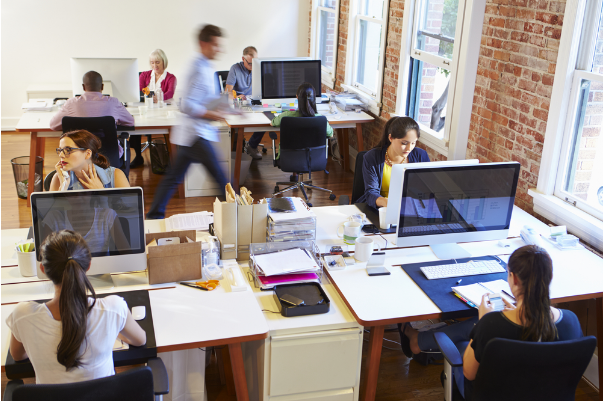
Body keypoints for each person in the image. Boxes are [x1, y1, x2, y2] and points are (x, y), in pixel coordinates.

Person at [398, 245, 584, 398]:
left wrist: (483, 321)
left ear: (514, 278)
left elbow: (469, 374)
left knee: (463, 345)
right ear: (549, 278)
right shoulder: (571, 321)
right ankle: (418, 341)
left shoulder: (491, 325)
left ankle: (418, 341)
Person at [6, 230, 146, 384]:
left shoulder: (23, 315)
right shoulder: (113, 308)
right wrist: (114, 331)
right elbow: (140, 340)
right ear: (88, 265)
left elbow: (17, 355)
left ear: (43, 270)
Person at [146, 24, 235, 219]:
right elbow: (186, 104)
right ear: (204, 44)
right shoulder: (196, 67)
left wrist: (227, 108)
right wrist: (211, 114)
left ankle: (153, 216)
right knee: (222, 179)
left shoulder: (206, 66)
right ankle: (238, 215)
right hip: (196, 133)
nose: (220, 49)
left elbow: (206, 99)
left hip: (193, 134)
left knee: (173, 178)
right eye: (216, 45)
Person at [355, 117, 430, 209]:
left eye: (413, 143)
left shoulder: (421, 156)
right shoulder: (372, 157)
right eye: (404, 143)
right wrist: (388, 203)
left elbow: (427, 189)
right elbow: (371, 193)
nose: (409, 148)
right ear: (390, 138)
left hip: (411, 209)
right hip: (380, 209)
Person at [133, 49, 178, 168]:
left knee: (169, 128)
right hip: (146, 108)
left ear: (164, 62)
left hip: (162, 109)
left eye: (157, 62)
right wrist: (151, 97)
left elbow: (170, 93)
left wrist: (158, 97)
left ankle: (169, 158)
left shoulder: (171, 78)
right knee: (135, 124)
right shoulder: (144, 75)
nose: (155, 65)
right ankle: (138, 156)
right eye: (152, 62)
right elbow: (139, 91)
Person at [49, 71, 135, 132]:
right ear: (102, 87)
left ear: (83, 87)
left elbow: (53, 125)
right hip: (108, 153)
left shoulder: (71, 103)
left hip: (80, 153)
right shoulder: (113, 103)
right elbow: (130, 122)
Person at [270, 82, 333, 160]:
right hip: (313, 159)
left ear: (297, 97)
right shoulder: (321, 119)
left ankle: (296, 169)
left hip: (288, 159)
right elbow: (331, 134)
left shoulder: (286, 116)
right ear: (314, 98)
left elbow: (272, 123)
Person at [50, 130, 130, 191]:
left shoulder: (116, 175)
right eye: (60, 150)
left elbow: (129, 211)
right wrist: (62, 188)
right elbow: (50, 212)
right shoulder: (59, 178)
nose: (61, 155)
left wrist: (101, 193)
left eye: (68, 150)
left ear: (88, 154)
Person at [225, 46, 265, 160]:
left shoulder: (258, 68)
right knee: (237, 123)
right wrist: (236, 97)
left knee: (266, 118)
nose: (253, 66)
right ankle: (235, 152)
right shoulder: (235, 69)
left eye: (255, 62)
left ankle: (252, 146)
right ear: (243, 59)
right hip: (238, 103)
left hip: (253, 102)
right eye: (250, 63)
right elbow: (227, 91)